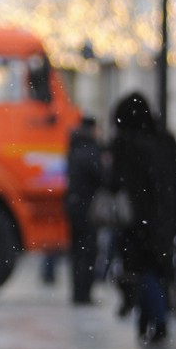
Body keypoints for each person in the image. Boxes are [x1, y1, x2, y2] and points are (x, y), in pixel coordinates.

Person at [105, 92, 176, 344]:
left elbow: (113, 182)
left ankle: (157, 320)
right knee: (157, 269)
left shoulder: (125, 144)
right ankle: (148, 320)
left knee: (142, 270)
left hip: (136, 218)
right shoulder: (165, 140)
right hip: (165, 216)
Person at [64, 115, 103, 305]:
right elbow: (102, 177)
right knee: (87, 251)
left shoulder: (74, 148)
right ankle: (84, 294)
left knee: (77, 251)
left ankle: (77, 292)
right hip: (87, 208)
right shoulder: (91, 151)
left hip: (73, 205)